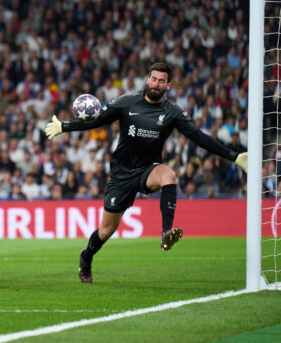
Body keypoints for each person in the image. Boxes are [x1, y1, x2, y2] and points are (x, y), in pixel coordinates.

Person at [45, 63, 248, 283]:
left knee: (169, 175)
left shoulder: (173, 112)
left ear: (168, 85)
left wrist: (234, 156)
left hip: (149, 169)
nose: (156, 84)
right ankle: (86, 256)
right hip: (122, 174)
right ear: (148, 79)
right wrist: (64, 127)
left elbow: (199, 137)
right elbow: (97, 121)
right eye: (153, 79)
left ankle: (166, 233)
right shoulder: (127, 102)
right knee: (106, 230)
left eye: (161, 81)